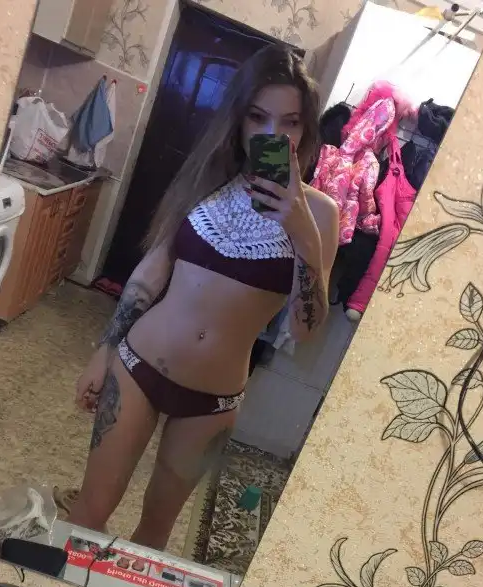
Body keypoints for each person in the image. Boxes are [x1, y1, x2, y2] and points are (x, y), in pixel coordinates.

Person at [68, 45, 339, 550]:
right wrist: (103, 350)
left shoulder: (321, 215)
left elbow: (305, 331)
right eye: (257, 117)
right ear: (238, 119)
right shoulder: (207, 181)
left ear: (307, 129)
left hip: (213, 401)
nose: (273, 134)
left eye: (290, 122)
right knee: (89, 512)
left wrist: (302, 233)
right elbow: (152, 272)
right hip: (138, 365)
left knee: (153, 536)